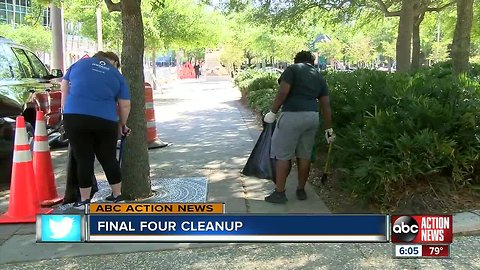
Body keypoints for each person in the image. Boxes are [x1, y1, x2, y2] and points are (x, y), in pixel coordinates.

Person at [61, 51, 131, 209]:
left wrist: (67, 109)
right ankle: (118, 196)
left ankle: (84, 200)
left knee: (83, 158)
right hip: (105, 120)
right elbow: (125, 104)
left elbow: (64, 87)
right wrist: (123, 124)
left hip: (75, 117)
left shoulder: (77, 65)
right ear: (112, 62)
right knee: (108, 158)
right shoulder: (117, 75)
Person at [263, 50, 335, 204]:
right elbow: (326, 105)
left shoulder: (292, 69)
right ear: (312, 62)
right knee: (305, 154)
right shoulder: (318, 75)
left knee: (282, 155)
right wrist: (329, 129)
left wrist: (273, 112)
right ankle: (301, 189)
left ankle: (280, 193)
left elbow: (283, 91)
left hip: (292, 115)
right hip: (312, 117)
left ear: (296, 60)